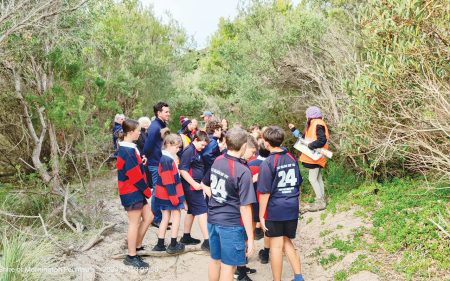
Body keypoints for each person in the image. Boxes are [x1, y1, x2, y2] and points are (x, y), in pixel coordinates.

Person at [202, 128, 256, 281]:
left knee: (215, 260)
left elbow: (204, 184)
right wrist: (250, 239)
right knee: (229, 266)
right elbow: (245, 207)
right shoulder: (243, 170)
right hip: (231, 224)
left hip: (213, 219)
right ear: (244, 145)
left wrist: (219, 197)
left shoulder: (218, 160)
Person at [258, 126, 304, 281]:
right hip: (292, 206)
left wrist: (261, 215)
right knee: (286, 240)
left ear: (266, 143)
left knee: (276, 246)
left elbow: (264, 192)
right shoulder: (291, 158)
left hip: (276, 208)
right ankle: (298, 276)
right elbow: (299, 182)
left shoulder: (268, 162)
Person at [116, 119, 154, 268]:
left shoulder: (130, 148)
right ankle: (131, 256)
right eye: (138, 130)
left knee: (149, 216)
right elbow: (134, 175)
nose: (140, 132)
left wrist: (140, 163)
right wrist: (147, 191)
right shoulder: (127, 150)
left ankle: (136, 246)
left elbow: (133, 168)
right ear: (131, 132)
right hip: (131, 191)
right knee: (134, 223)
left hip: (135, 190)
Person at [288, 106, 329, 211]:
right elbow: (304, 138)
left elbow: (322, 140)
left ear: (311, 116)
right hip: (316, 156)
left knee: (312, 179)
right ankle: (322, 199)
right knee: (318, 178)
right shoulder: (315, 124)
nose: (306, 117)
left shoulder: (317, 124)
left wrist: (311, 145)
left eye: (307, 115)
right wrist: (293, 129)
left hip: (315, 156)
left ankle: (320, 202)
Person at [153, 133, 186, 254]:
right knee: (176, 216)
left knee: (165, 217)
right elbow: (168, 181)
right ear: (168, 145)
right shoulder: (167, 160)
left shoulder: (167, 158)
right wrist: (175, 198)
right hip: (169, 195)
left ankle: (160, 244)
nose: (178, 150)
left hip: (164, 195)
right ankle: (173, 244)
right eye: (176, 147)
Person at [179, 131, 210, 251]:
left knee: (191, 211)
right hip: (192, 187)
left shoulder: (196, 150)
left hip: (195, 185)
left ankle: (186, 237)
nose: (203, 148)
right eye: (202, 145)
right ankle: (207, 242)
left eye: (205, 146)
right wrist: (194, 184)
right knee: (202, 211)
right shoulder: (189, 151)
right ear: (196, 140)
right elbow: (182, 170)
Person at [143, 102, 170, 228]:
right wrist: (146, 156)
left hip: (160, 161)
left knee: (161, 189)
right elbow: (148, 145)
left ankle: (160, 217)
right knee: (156, 190)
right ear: (158, 113)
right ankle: (156, 218)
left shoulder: (161, 124)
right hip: (155, 162)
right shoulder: (155, 126)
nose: (168, 114)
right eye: (166, 112)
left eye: (168, 112)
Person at [248, 144, 271, 264]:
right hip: (266, 202)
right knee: (266, 227)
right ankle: (266, 254)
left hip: (251, 201)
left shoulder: (251, 164)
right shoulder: (271, 164)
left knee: (249, 227)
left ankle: (245, 254)